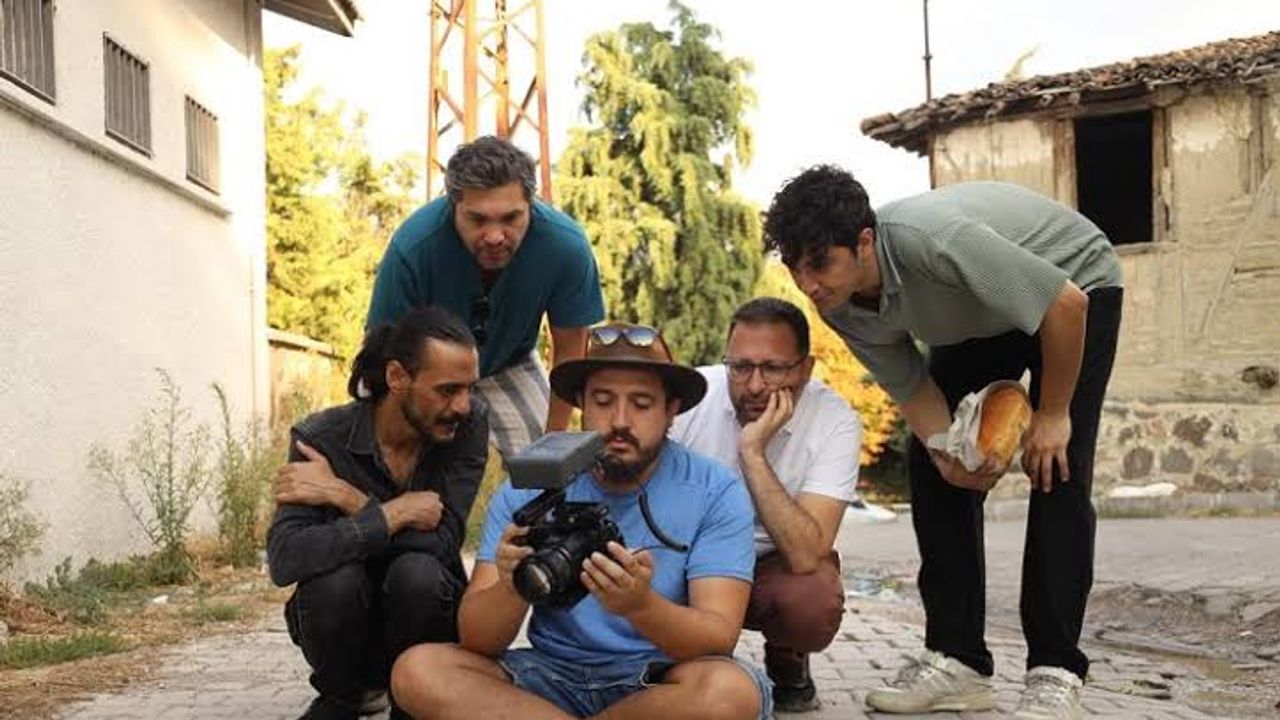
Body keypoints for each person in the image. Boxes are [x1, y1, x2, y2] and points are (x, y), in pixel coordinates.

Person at [763, 167, 1123, 719]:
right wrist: (948, 455)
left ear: (864, 242)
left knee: (1056, 467)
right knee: (933, 465)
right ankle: (959, 661)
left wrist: (1053, 414)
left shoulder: (931, 242)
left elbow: (1064, 304)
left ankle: (1055, 672)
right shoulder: (837, 304)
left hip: (1073, 286)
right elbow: (913, 389)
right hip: (978, 318)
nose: (808, 284)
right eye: (794, 266)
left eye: (820, 263)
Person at [389, 323, 773, 720]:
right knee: (418, 670)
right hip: (549, 675)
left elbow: (717, 639)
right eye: (602, 401)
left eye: (642, 404)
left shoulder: (714, 490)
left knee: (730, 692)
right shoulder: (532, 485)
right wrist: (511, 586)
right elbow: (478, 640)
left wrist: (641, 605)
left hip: (657, 682)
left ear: (671, 410)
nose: (620, 420)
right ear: (581, 404)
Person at [267, 307, 490, 720]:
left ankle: (414, 704)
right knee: (334, 579)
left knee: (417, 573)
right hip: (342, 641)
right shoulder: (321, 439)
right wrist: (391, 515)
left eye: (469, 389)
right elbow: (286, 558)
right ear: (397, 377)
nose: (463, 405)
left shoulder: (466, 425)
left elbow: (443, 543)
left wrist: (349, 498)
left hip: (428, 635)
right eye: (447, 390)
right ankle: (341, 700)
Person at [669, 297, 860, 712]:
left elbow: (807, 554)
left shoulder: (835, 419)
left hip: (776, 564)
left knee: (811, 599)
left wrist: (752, 451)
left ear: (805, 369)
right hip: (691, 557)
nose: (754, 385)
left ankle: (788, 654)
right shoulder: (690, 399)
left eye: (773, 368)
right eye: (740, 367)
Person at [367, 135, 605, 460]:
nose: (494, 236)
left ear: (530, 204)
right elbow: (382, 352)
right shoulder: (413, 247)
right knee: (389, 453)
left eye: (511, 218)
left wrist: (553, 445)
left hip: (508, 363)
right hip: (421, 370)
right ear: (454, 207)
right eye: (477, 220)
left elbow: (570, 353)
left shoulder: (566, 246)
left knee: (540, 462)